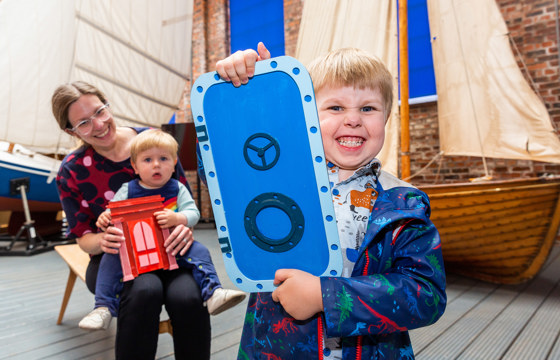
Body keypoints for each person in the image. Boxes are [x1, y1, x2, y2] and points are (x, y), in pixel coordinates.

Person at [212, 43, 447, 359]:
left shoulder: (404, 203)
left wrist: (327, 297)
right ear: (306, 113)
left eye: (368, 108)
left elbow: (426, 294)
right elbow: (227, 167)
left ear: (387, 117)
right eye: (335, 108)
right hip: (277, 347)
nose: (353, 119)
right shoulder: (278, 178)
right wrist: (252, 90)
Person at [52, 81, 210, 360]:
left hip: (170, 248)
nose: (99, 125)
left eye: (100, 112)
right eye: (84, 123)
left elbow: (184, 203)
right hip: (116, 257)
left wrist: (184, 226)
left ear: (108, 105)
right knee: (144, 290)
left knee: (187, 296)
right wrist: (102, 240)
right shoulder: (71, 171)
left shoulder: (153, 142)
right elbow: (83, 239)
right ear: (70, 131)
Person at [78, 129, 246, 331]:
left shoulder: (177, 189)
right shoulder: (128, 190)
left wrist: (178, 217)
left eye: (163, 158)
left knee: (200, 251)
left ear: (174, 162)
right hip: (137, 251)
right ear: (135, 166)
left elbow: (193, 213)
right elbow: (112, 211)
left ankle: (212, 292)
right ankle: (103, 307)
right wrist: (106, 216)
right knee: (110, 258)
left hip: (170, 247)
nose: (156, 164)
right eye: (147, 160)